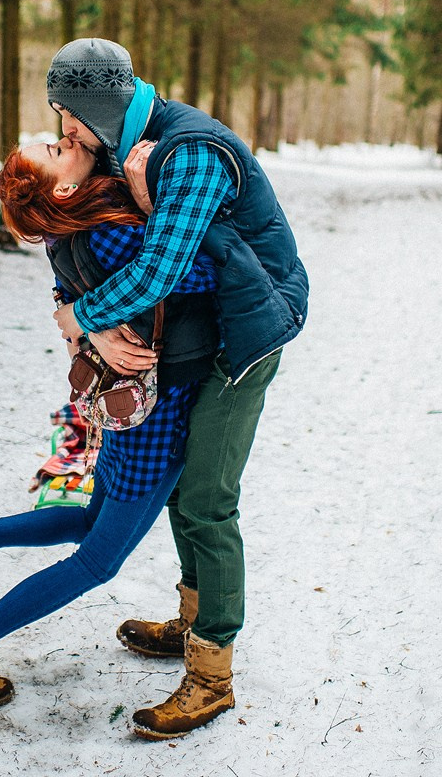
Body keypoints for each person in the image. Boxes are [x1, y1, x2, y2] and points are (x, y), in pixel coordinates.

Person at [0, 136, 221, 727]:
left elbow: (77, 297)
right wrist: (155, 207)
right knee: (98, 561)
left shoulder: (63, 234)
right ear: (65, 188)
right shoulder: (110, 232)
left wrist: (87, 322)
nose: (69, 139)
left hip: (124, 407)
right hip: (154, 415)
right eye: (55, 148)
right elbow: (196, 272)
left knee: (90, 519)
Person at [46, 37, 309, 740]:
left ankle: (212, 674)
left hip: (245, 331)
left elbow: (159, 270)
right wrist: (82, 319)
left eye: (70, 117)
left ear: (99, 108)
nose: (64, 132)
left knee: (206, 500)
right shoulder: (124, 147)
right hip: (200, 330)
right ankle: (193, 623)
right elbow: (87, 246)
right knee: (183, 485)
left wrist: (81, 318)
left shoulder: (188, 153)